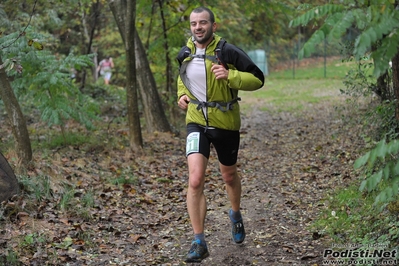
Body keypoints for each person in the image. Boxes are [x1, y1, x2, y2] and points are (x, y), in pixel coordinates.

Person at [176, 6, 265, 263]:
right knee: (195, 180)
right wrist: (181, 95)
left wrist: (231, 75)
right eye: (194, 24)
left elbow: (257, 79)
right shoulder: (184, 53)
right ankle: (199, 241)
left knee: (228, 175)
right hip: (195, 122)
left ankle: (235, 215)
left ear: (213, 26)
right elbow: (182, 78)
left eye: (203, 23)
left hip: (224, 123)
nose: (198, 27)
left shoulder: (226, 51)